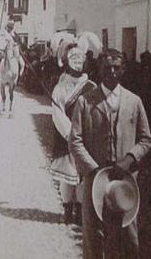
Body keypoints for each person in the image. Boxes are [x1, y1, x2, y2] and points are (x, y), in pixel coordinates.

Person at [69, 48, 151, 259]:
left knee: (128, 235)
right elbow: (75, 141)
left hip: (124, 183)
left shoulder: (134, 102)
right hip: (94, 180)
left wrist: (130, 158)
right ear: (99, 69)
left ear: (123, 70)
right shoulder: (85, 102)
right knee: (94, 236)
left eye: (117, 68)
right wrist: (94, 169)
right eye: (107, 68)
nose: (112, 72)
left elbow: (146, 139)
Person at [50, 45, 96, 225]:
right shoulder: (60, 88)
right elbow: (57, 113)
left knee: (83, 177)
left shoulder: (91, 86)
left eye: (80, 58)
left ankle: (80, 209)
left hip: (87, 139)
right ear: (67, 62)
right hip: (67, 138)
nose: (77, 61)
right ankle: (67, 210)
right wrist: (71, 134)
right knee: (67, 176)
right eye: (73, 58)